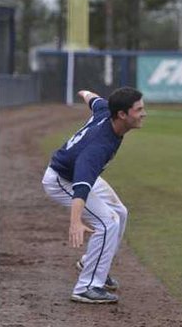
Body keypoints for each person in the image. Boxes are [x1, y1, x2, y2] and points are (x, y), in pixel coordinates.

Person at [42, 86, 146, 303]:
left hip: (76, 174)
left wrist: (84, 92)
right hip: (63, 180)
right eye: (138, 110)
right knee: (108, 222)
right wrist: (75, 222)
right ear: (122, 114)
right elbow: (81, 187)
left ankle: (93, 262)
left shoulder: (105, 110)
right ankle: (86, 287)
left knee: (120, 212)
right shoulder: (97, 147)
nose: (144, 113)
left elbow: (94, 99)